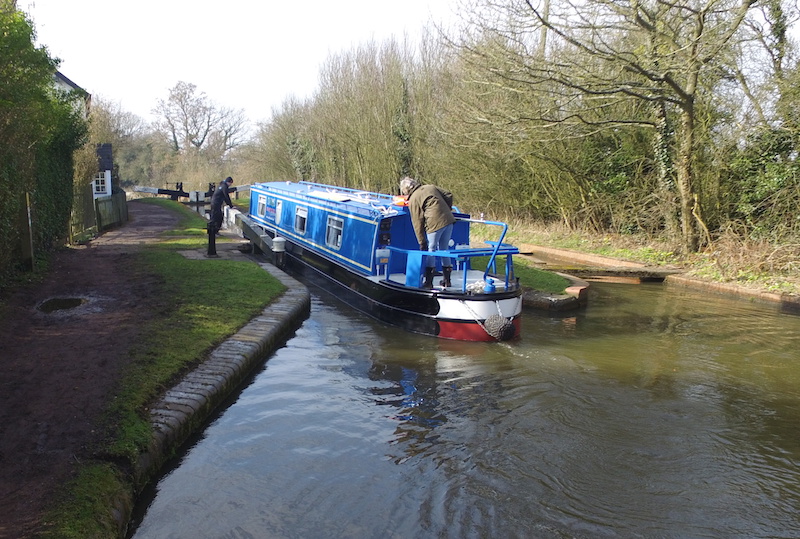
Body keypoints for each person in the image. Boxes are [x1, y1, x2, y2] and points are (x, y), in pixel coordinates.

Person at [399, 176, 456, 289]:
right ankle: (447, 280)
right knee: (444, 249)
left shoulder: (414, 199)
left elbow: (417, 222)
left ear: (406, 190)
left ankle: (429, 282)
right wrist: (446, 209)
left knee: (431, 249)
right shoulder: (430, 187)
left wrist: (421, 242)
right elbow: (449, 194)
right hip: (449, 220)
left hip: (434, 223)